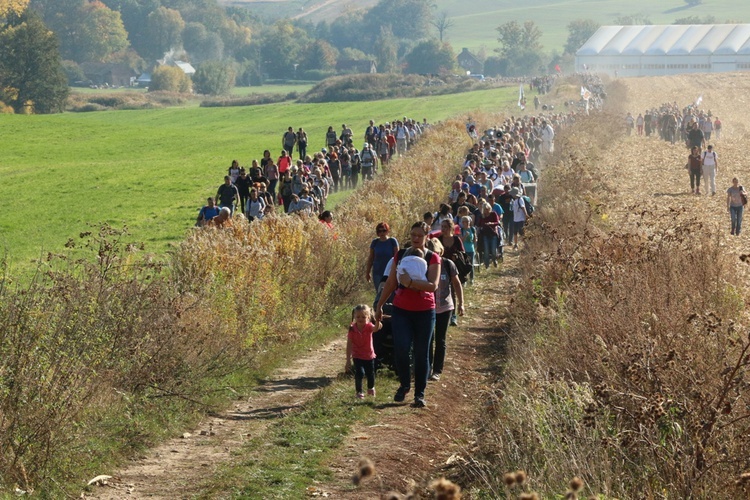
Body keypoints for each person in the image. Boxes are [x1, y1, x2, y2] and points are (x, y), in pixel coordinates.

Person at [375, 221, 440, 408]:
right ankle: (404, 384)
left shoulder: (432, 258)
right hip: (401, 310)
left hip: (425, 312)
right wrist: (379, 306)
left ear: (427, 237)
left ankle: (419, 394)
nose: (416, 238)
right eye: (413, 235)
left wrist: (410, 283)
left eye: (420, 235)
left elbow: (432, 285)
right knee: (401, 349)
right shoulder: (401, 255)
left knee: (421, 354)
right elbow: (391, 283)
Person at [425, 238, 464, 382]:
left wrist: (461, 303)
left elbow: (457, 284)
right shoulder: (425, 265)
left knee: (440, 339)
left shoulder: (448, 264)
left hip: (445, 307)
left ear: (441, 251)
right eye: (431, 253)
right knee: (428, 339)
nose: (434, 255)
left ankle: (437, 370)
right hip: (428, 307)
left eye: (436, 252)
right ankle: (426, 368)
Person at [345, 304, 383, 399]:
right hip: (357, 355)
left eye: (363, 317)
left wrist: (378, 320)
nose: (360, 319)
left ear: (368, 317)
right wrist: (348, 360)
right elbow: (349, 344)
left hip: (368, 355)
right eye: (358, 317)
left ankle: (370, 388)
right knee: (360, 373)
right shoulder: (352, 329)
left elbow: (376, 328)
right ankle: (359, 392)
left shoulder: (369, 326)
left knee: (370, 373)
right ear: (354, 317)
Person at [366, 222, 399, 292]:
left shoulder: (392, 241)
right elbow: (371, 258)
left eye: (384, 230)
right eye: (379, 231)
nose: (382, 233)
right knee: (380, 292)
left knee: (390, 293)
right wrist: (367, 272)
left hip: (390, 272)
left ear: (387, 231)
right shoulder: (375, 242)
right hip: (377, 272)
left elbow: (397, 257)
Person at [476, 202, 501, 268]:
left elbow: (497, 222)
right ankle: (486, 264)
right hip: (485, 234)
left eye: (487, 209)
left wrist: (491, 223)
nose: (486, 211)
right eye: (485, 209)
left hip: (493, 234)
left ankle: (494, 259)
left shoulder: (493, 214)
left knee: (493, 249)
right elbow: (479, 224)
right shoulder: (482, 216)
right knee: (486, 250)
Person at [459, 216, 476, 284]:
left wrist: (475, 244)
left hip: (471, 249)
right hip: (464, 250)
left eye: (466, 221)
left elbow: (475, 239)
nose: (465, 223)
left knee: (471, 264)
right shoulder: (461, 230)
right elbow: (461, 241)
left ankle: (472, 278)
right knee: (464, 265)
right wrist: (465, 235)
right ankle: (464, 279)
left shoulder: (472, 229)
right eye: (463, 221)